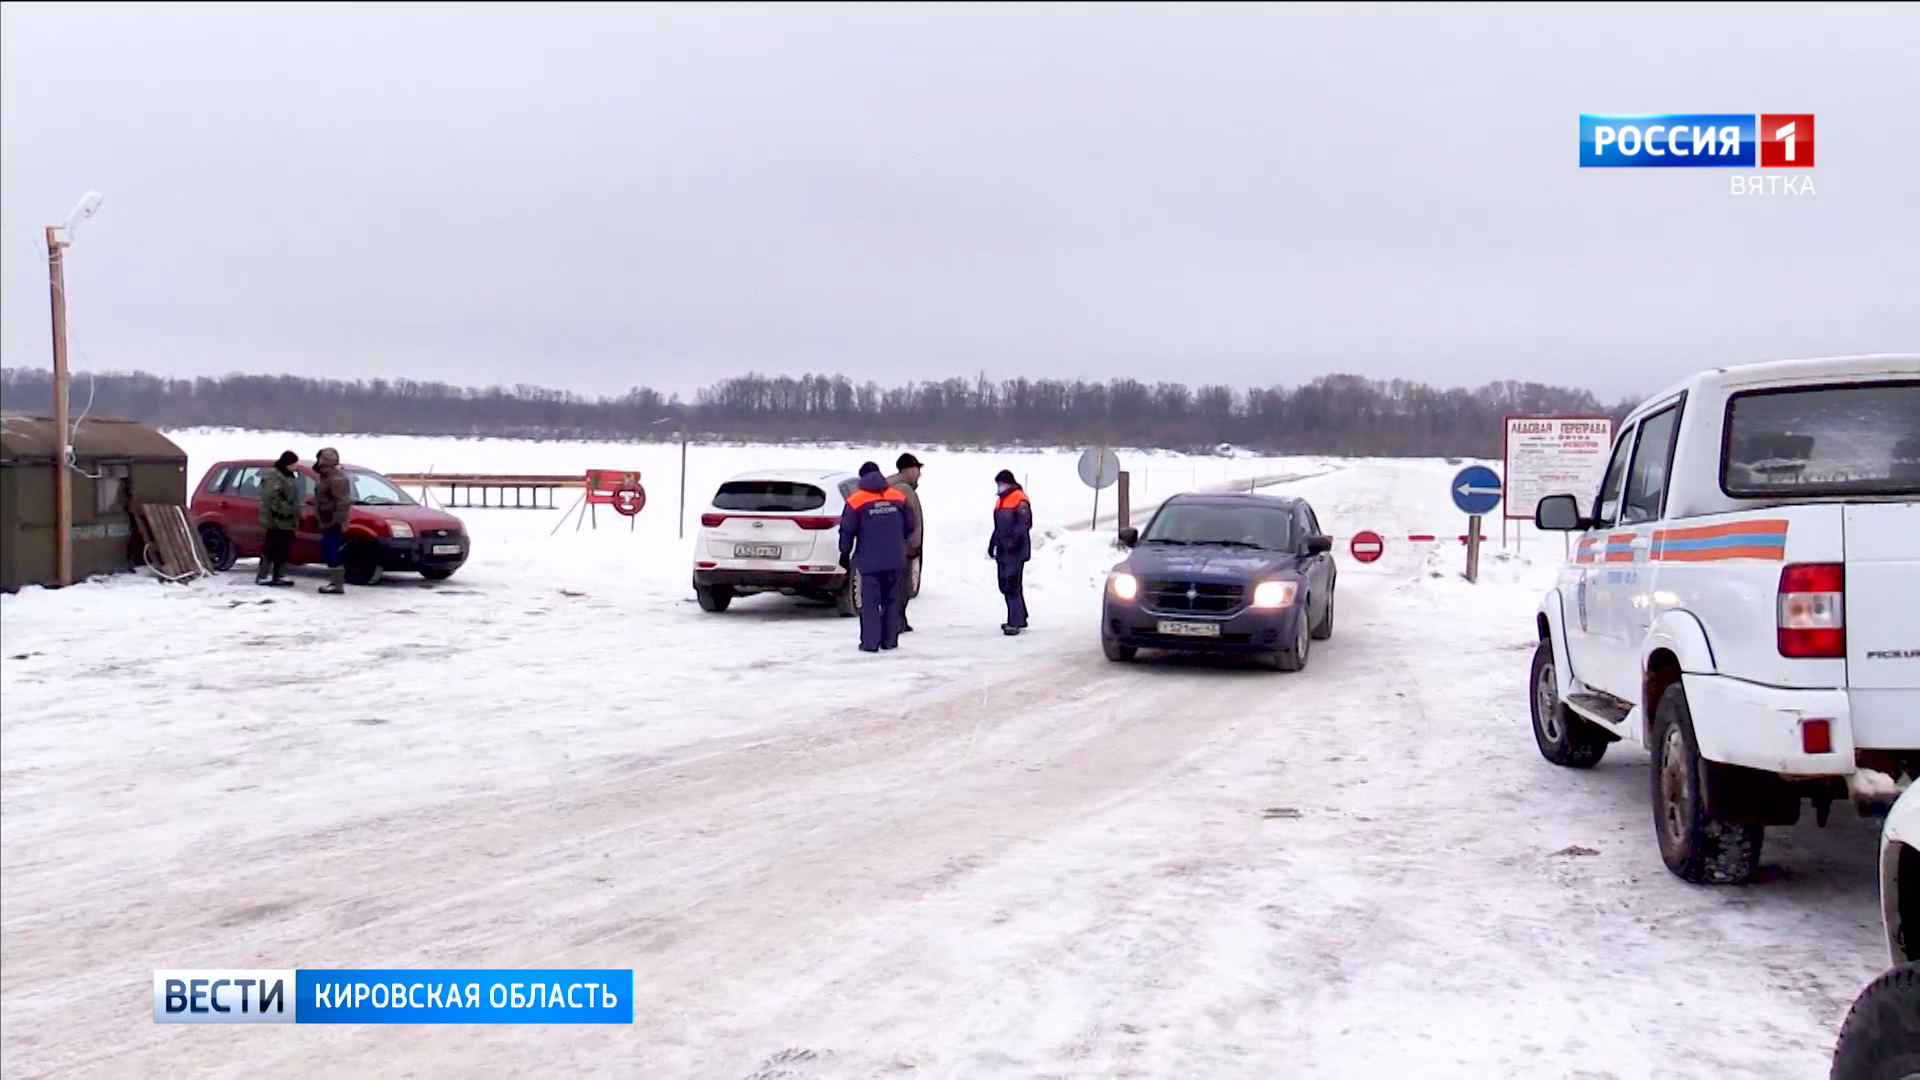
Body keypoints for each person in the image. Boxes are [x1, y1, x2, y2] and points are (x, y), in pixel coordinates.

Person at [838, 461, 916, 653]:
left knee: (871, 603)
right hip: (896, 559)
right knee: (891, 600)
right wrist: (898, 540)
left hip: (869, 561)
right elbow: (911, 525)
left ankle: (870, 643)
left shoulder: (856, 500)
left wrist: (844, 552)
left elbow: (847, 530)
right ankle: (890, 641)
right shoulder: (898, 497)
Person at [988, 469, 1032, 635]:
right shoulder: (1001, 501)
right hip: (1003, 550)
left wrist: (1012, 542)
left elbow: (1024, 524)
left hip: (1015, 550)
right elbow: (999, 527)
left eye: (1001, 484)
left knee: (1011, 584)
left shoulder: (1019, 500)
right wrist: (993, 543)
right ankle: (1020, 616)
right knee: (1005, 585)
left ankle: (1014, 622)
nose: (999, 487)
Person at [887, 452, 926, 632]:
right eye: (917, 469)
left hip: (889, 545)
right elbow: (913, 521)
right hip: (902, 547)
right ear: (909, 470)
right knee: (901, 587)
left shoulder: (890, 486)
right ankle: (897, 621)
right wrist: (914, 545)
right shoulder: (904, 490)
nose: (919, 473)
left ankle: (897, 620)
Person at [313, 447, 354, 595]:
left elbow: (342, 501)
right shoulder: (326, 476)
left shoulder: (336, 478)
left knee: (332, 551)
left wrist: (337, 520)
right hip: (326, 519)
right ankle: (335, 582)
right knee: (329, 550)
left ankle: (337, 584)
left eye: (320, 459)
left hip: (332, 520)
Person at [255, 450, 300, 587]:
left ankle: (279, 574)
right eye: (293, 463)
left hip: (286, 521)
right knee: (272, 547)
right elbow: (271, 498)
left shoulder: (289, 476)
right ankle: (263, 575)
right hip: (275, 520)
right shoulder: (274, 477)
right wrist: (286, 510)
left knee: (283, 548)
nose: (296, 466)